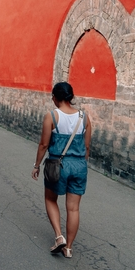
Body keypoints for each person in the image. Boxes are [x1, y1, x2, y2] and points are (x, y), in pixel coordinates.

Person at [30, 82, 91, 258]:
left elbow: (43, 144)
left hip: (58, 164)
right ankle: (69, 248)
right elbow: (87, 147)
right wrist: (80, 164)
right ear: (70, 97)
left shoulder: (52, 116)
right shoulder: (84, 117)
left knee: (50, 199)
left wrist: (36, 165)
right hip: (79, 165)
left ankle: (59, 237)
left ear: (55, 98)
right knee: (73, 209)